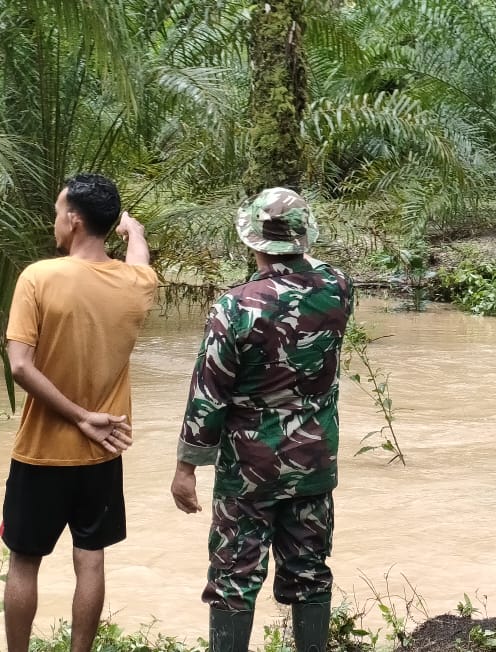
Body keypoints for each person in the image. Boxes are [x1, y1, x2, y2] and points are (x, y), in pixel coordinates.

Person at [171, 188, 354, 652]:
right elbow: (312, 280)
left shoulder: (234, 307)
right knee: (310, 574)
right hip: (313, 461)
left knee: (234, 578)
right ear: (304, 238)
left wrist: (187, 467)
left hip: (247, 471)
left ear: (253, 242)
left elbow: (208, 394)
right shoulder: (338, 289)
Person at [1, 173, 157, 652]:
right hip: (103, 452)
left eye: (56, 212)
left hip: (41, 453)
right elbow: (139, 264)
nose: (53, 222)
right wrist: (136, 234)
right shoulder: (137, 285)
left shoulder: (39, 277)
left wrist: (76, 415)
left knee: (24, 562)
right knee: (91, 559)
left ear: (73, 220)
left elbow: (20, 367)